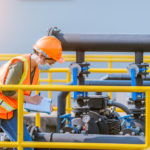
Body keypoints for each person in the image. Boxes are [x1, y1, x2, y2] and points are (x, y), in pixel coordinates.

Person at [0, 36, 64, 150]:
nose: (51, 66)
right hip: (4, 108)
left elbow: (24, 95)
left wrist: (42, 104)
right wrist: (31, 100)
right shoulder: (20, 64)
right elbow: (7, 90)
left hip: (8, 111)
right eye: (51, 62)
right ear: (41, 56)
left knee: (26, 146)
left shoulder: (35, 69)